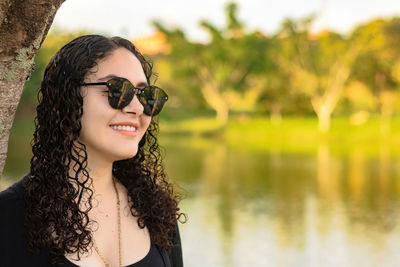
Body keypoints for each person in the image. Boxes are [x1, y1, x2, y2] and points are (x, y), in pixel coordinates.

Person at [0, 35, 184, 267]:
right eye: (117, 90)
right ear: (64, 101)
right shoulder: (8, 217)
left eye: (145, 95)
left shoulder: (156, 210)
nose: (137, 108)